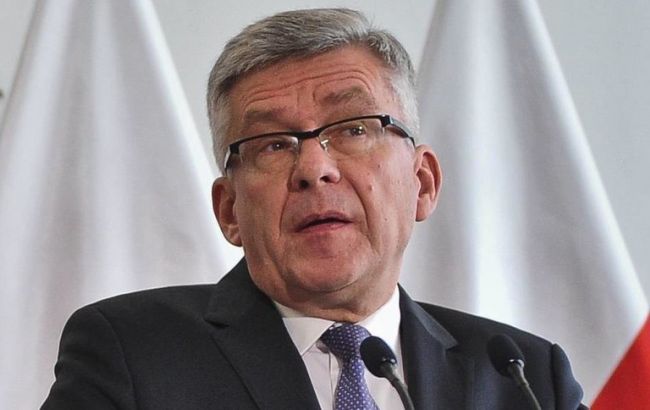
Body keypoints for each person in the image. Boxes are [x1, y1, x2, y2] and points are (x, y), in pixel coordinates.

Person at [42, 8, 585, 409]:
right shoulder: (133, 353)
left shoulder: (524, 377)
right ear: (229, 210)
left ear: (422, 183)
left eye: (354, 129)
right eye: (272, 144)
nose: (313, 168)